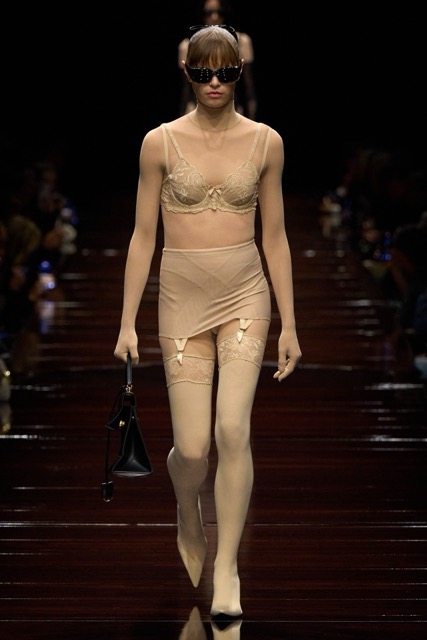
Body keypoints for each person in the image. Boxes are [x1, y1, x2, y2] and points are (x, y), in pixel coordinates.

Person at [114, 24, 301, 619]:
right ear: (187, 73)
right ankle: (186, 508)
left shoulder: (266, 142)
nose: (214, 82)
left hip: (246, 293)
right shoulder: (159, 143)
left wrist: (290, 324)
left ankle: (227, 568)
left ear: (240, 72)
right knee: (193, 449)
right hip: (181, 300)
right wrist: (126, 322)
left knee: (233, 430)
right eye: (203, 72)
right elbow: (143, 236)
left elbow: (276, 236)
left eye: (225, 71)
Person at [178, 0, 257, 119]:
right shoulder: (187, 45)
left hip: (233, 110)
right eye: (208, 13)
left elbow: (249, 88)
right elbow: (185, 91)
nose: (214, 17)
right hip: (194, 110)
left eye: (220, 12)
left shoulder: (241, 42)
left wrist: (251, 120)